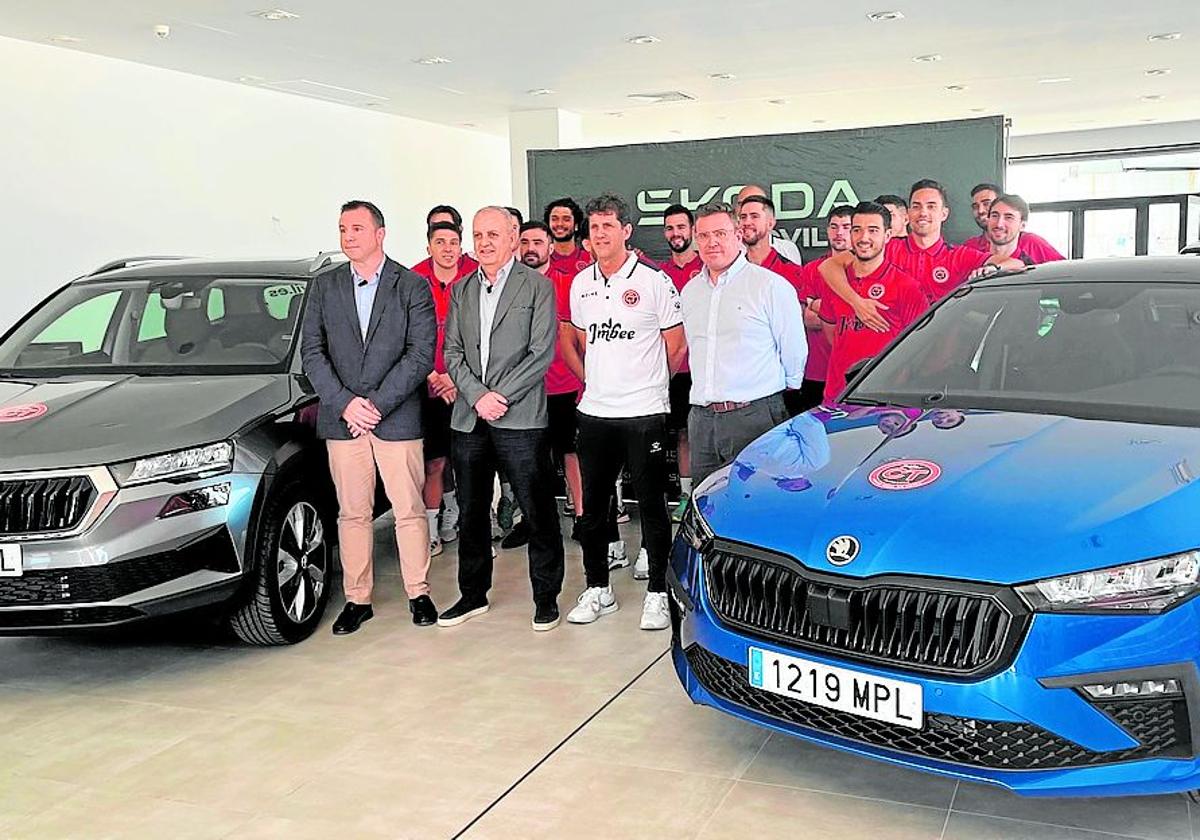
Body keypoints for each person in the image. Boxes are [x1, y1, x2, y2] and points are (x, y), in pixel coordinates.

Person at [300, 200, 438, 633]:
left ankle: (419, 592)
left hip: (395, 418)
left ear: (381, 233)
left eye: (357, 228)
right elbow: (312, 353)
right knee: (352, 514)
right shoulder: (324, 287)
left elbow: (419, 355)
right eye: (343, 228)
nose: (348, 236)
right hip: (344, 421)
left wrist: (376, 404)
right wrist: (345, 403)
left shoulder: (412, 285)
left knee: (409, 510)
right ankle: (358, 599)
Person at [560, 192, 686, 631]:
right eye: (593, 228)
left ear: (626, 231)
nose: (599, 235)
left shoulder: (654, 281)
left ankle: (657, 593)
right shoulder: (582, 283)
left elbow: (677, 346)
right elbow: (577, 340)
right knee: (593, 507)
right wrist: (593, 383)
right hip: (595, 413)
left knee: (652, 506)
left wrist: (648, 387)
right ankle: (598, 588)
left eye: (607, 226)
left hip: (644, 413)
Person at [439, 207, 564, 631]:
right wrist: (478, 396)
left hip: (521, 417)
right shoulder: (460, 290)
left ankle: (546, 597)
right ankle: (472, 595)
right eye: (478, 234)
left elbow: (541, 353)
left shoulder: (538, 287)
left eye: (493, 233)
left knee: (537, 510)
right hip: (470, 418)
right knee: (473, 512)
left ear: (513, 238)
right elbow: (452, 352)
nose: (485, 242)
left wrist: (500, 396)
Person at [680, 202, 807, 485]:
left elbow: (794, 350)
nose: (711, 242)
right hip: (702, 421)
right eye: (703, 236)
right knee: (707, 505)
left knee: (758, 504)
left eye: (720, 233)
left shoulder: (770, 286)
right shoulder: (690, 292)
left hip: (754, 417)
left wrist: (769, 398)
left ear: (738, 234)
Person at [820, 179, 1025, 331]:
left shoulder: (959, 256)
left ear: (944, 213)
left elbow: (1015, 263)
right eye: (916, 206)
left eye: (931, 206)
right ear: (908, 214)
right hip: (889, 356)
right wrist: (857, 302)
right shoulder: (887, 247)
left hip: (942, 358)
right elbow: (829, 266)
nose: (923, 212)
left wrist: (992, 268)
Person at [503, 220, 584, 549]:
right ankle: (531, 521)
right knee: (529, 459)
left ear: (551, 246)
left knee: (572, 454)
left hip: (565, 386)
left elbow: (581, 336)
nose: (530, 248)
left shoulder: (568, 284)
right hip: (524, 389)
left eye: (538, 242)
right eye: (525, 242)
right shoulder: (510, 287)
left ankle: (582, 517)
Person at [410, 221, 477, 556]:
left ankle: (468, 525)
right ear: (429, 248)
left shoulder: (473, 283)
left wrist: (454, 377)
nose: (447, 249)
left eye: (454, 243)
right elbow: (407, 338)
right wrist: (432, 375)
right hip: (428, 386)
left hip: (465, 387)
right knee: (434, 463)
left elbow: (480, 338)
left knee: (469, 462)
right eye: (441, 242)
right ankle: (432, 530)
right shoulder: (413, 283)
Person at [817, 201, 927, 402]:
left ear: (887, 236)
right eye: (857, 230)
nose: (863, 238)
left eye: (873, 230)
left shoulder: (906, 286)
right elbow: (832, 332)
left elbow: (920, 346)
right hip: (837, 396)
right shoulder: (837, 281)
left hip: (888, 399)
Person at [658, 204, 703, 520]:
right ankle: (682, 496)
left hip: (702, 368)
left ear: (692, 231)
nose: (676, 233)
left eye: (681, 227)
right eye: (670, 228)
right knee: (676, 435)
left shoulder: (708, 267)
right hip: (669, 368)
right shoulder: (658, 275)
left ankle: (702, 497)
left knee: (701, 435)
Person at [790, 206, 853, 413]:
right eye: (834, 227)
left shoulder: (865, 269)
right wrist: (850, 313)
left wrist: (820, 306)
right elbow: (807, 318)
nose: (839, 233)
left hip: (855, 371)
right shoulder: (812, 269)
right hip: (817, 372)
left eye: (846, 227)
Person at [985, 193, 1066, 264]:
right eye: (994, 216)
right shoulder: (974, 256)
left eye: (1009, 217)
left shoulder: (1030, 263)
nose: (999, 224)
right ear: (988, 220)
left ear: (1022, 225)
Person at [736, 184, 804, 263]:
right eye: (742, 203)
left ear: (770, 223)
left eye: (754, 216)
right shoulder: (726, 250)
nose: (748, 206)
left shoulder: (787, 249)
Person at [544, 197, 592, 277]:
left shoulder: (590, 259)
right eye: (554, 219)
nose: (559, 224)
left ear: (576, 225)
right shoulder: (542, 260)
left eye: (566, 219)